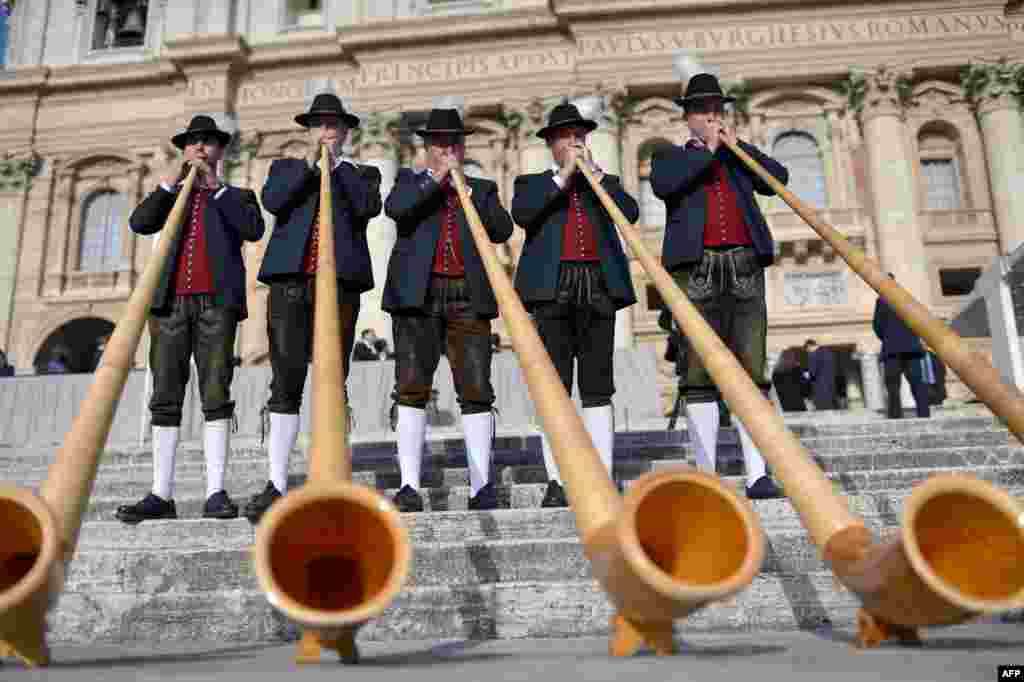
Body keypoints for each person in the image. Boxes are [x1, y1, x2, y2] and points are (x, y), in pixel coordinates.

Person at [116, 114, 265, 524]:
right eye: (194, 142)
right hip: (169, 305)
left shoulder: (238, 195)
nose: (201, 148)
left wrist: (215, 191)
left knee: (216, 392)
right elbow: (140, 222)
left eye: (209, 142)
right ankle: (161, 493)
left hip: (218, 303)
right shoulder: (169, 196)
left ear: (220, 152)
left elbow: (253, 230)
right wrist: (167, 184)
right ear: (184, 150)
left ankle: (216, 491)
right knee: (165, 395)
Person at [650, 72, 789, 500]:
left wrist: (737, 147)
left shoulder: (737, 155)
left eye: (718, 110)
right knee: (697, 373)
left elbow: (776, 179)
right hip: (696, 269)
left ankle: (758, 472)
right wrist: (709, 150)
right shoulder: (670, 157)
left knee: (752, 369)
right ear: (689, 118)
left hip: (745, 263)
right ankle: (707, 473)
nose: (713, 116)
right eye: (705, 110)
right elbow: (665, 186)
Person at [245, 92, 383, 523]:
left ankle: (331, 471)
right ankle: (277, 481)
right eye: (319, 126)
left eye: (333, 126)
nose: (326, 132)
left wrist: (335, 168)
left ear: (345, 133)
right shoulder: (285, 169)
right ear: (308, 131)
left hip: (339, 286)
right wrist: (310, 166)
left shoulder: (363, 174)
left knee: (332, 379)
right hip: (290, 282)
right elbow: (275, 202)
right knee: (285, 380)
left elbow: (367, 208)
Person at [383, 96, 514, 512]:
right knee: (411, 387)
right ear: (426, 148)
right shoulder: (408, 181)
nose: (447, 151)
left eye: (454, 145)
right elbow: (397, 210)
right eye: (439, 145)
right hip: (415, 299)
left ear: (463, 148)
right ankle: (408, 485)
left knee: (476, 390)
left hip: (468, 296)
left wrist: (469, 189)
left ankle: (481, 485)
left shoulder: (483, 189)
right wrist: (435, 180)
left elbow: (500, 230)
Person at [511, 101, 639, 507]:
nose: (576, 141)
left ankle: (601, 473)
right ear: (552, 143)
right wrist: (564, 178)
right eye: (567, 136)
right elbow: (524, 215)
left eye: (580, 135)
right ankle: (558, 479)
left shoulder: (605, 181)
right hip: (552, 290)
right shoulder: (532, 184)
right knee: (555, 388)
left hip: (598, 286)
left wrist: (598, 177)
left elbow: (630, 214)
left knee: (598, 387)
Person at [873, 274, 930, 419]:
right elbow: (919, 320)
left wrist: (887, 338)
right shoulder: (907, 297)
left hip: (892, 349)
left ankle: (896, 416)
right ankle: (924, 414)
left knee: (893, 386)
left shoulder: (882, 300)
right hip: (911, 348)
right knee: (917, 384)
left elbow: (877, 326)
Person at [804, 339, 838, 410]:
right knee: (831, 409)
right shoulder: (828, 353)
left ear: (809, 346)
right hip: (830, 386)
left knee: (822, 411)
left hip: (819, 389)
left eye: (807, 349)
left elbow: (812, 374)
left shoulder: (813, 355)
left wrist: (805, 374)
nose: (807, 351)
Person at [772, 347, 808, 412]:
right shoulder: (796, 370)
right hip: (798, 406)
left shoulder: (775, 373)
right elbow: (806, 391)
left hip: (784, 407)